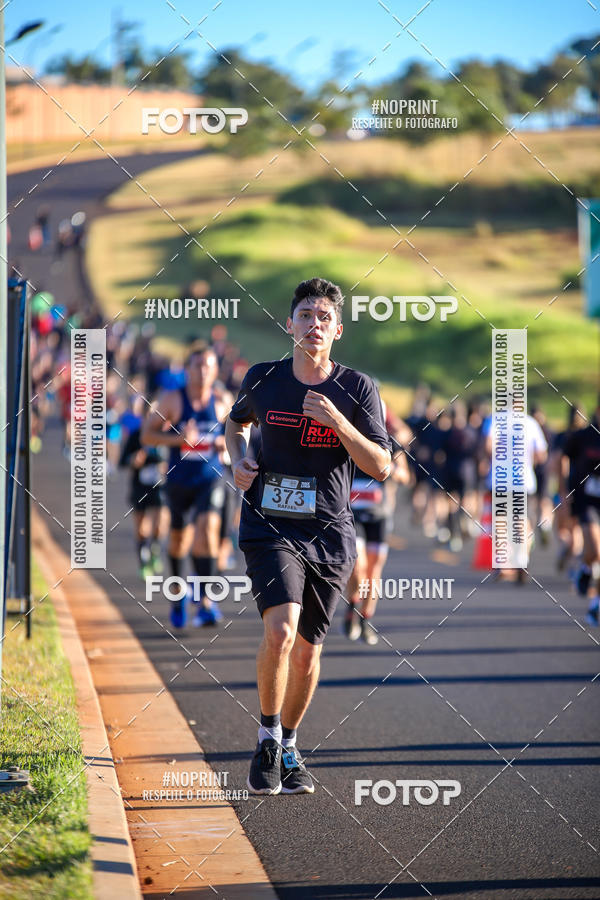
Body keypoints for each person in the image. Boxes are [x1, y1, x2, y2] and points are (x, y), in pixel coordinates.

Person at [225, 277, 392, 795]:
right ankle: (268, 738)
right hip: (269, 523)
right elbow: (235, 425)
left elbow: (382, 466)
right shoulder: (264, 378)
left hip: (329, 532)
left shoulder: (357, 389)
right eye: (304, 315)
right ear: (289, 324)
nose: (313, 324)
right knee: (280, 630)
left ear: (337, 331)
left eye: (323, 318)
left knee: (307, 651)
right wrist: (238, 460)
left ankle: (291, 745)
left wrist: (340, 422)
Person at [142, 341, 228, 628]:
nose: (203, 371)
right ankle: (178, 595)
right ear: (187, 369)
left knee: (209, 530)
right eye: (197, 365)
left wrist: (224, 443)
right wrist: (177, 440)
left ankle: (205, 600)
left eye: (208, 366)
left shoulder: (222, 401)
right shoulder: (172, 400)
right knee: (179, 541)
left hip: (210, 479)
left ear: (216, 370)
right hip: (179, 481)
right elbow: (147, 436)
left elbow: (241, 433)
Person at [564, 404, 600, 625]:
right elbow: (565, 458)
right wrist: (565, 491)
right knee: (596, 549)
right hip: (588, 502)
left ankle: (595, 603)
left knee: (593, 557)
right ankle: (587, 568)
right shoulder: (584, 437)